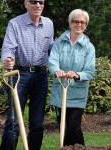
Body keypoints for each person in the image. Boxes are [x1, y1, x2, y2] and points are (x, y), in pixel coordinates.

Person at [0, 0, 54, 150]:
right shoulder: (15, 23)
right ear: (26, 4)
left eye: (41, 2)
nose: (38, 5)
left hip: (41, 76)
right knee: (13, 121)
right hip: (19, 75)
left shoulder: (49, 24)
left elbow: (51, 47)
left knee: (37, 123)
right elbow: (8, 48)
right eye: (33, 1)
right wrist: (7, 60)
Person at [48, 9, 95, 146]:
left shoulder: (89, 48)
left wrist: (77, 74)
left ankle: (79, 148)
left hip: (77, 93)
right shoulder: (59, 43)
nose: (78, 24)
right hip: (61, 91)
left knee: (74, 128)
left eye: (82, 22)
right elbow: (53, 61)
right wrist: (57, 70)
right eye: (75, 21)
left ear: (85, 25)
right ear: (70, 23)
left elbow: (90, 71)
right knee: (64, 127)